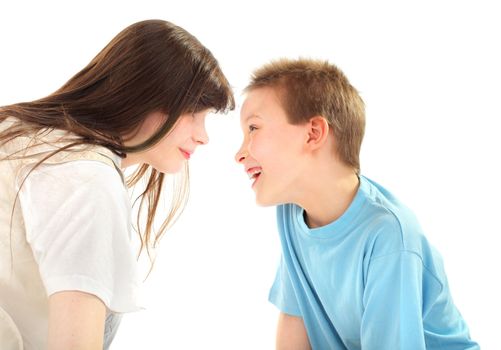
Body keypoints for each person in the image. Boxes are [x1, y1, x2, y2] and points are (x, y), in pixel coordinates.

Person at [0, 19, 234, 350]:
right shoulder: (89, 180)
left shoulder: (19, 133)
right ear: (149, 94)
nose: (203, 136)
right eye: (194, 112)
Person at [235, 58, 478, 349]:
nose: (239, 153)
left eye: (253, 129)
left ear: (313, 133)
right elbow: (294, 323)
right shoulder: (292, 213)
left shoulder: (388, 236)